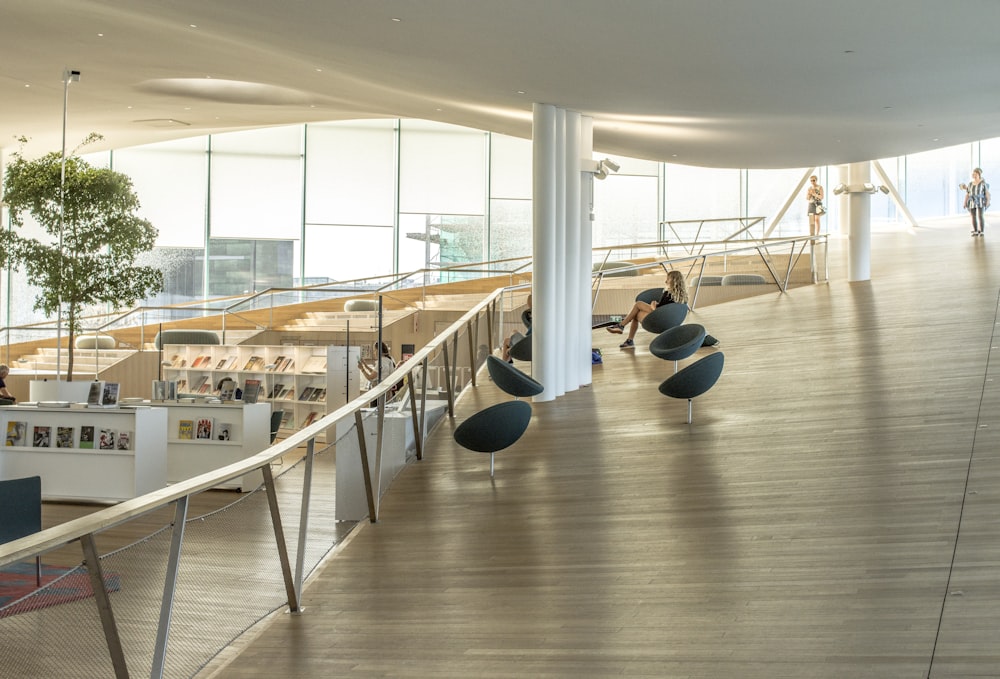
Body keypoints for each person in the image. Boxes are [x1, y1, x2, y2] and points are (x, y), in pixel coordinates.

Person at [607, 270, 689, 349]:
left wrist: (653, 305)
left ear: (673, 280)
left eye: (668, 279)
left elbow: (658, 310)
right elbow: (668, 307)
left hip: (659, 317)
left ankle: (622, 327)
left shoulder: (668, 293)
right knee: (636, 313)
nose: (666, 281)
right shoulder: (683, 296)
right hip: (671, 319)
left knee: (638, 304)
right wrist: (657, 304)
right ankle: (627, 337)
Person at [502, 294, 532, 362]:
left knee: (508, 340)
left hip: (528, 347)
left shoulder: (536, 318)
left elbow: (532, 336)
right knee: (510, 336)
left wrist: (513, 349)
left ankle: (506, 365)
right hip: (530, 343)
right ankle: (507, 363)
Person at [964, 168, 991, 236]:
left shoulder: (983, 183)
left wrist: (988, 201)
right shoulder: (970, 184)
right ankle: (975, 231)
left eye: (975, 174)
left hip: (980, 201)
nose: (974, 175)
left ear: (979, 174)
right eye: (973, 174)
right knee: (973, 216)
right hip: (972, 201)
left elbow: (987, 193)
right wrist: (965, 202)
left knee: (980, 216)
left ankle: (981, 231)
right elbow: (967, 194)